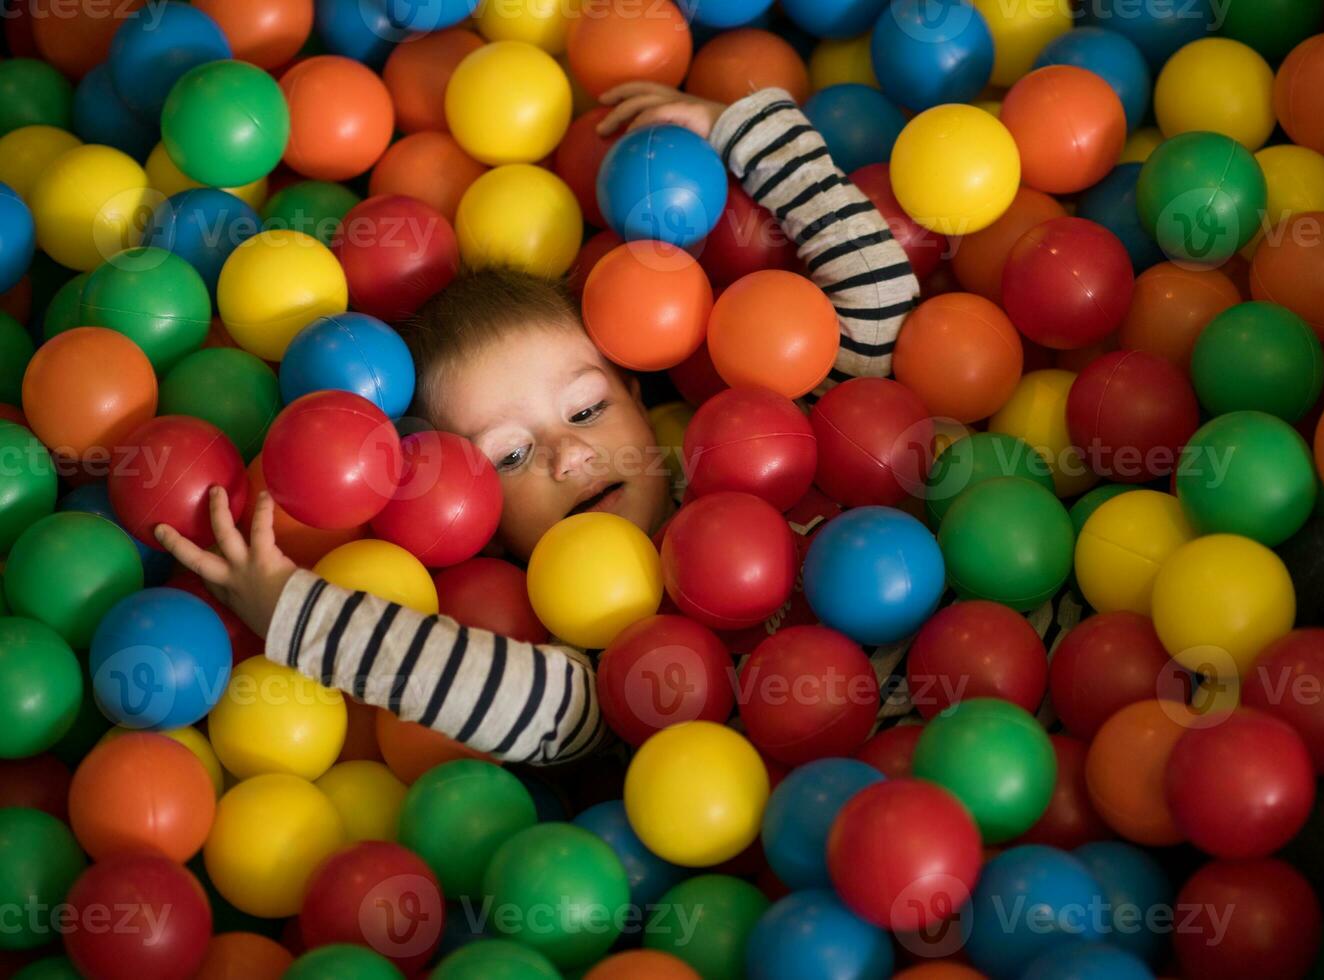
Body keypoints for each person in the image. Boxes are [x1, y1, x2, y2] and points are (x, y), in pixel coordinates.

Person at [155, 83, 926, 765]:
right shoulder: (596, 657)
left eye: (588, 409)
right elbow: (485, 691)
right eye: (511, 456)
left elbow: (876, 300)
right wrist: (291, 607)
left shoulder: (777, 450)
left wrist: (739, 132)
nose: (566, 455)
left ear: (634, 386)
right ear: (475, 523)